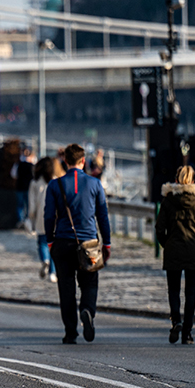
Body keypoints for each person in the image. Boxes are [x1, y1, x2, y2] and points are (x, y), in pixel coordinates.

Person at [44, 144, 111, 344]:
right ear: (83, 161)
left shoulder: (55, 186)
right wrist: (106, 243)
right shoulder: (94, 184)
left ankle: (70, 332)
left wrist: (50, 240)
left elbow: (49, 217)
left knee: (66, 288)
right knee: (90, 283)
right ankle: (87, 310)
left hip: (63, 242)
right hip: (88, 242)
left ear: (65, 161)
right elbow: (103, 216)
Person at [155, 166, 195, 345]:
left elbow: (159, 228)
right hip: (193, 250)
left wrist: (166, 244)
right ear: (192, 179)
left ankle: (176, 322)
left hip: (173, 250)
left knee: (173, 290)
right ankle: (187, 333)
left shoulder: (168, 200)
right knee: (191, 293)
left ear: (177, 179)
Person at [28, 156, 62, 282]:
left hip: (41, 217)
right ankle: (53, 273)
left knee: (42, 242)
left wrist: (31, 219)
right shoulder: (58, 181)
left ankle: (45, 260)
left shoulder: (35, 183)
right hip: (55, 216)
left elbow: (32, 205)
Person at [14, 148, 35, 229]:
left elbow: (14, 175)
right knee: (29, 204)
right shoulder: (32, 165)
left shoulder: (18, 165)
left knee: (20, 205)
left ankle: (21, 220)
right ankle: (27, 220)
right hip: (29, 187)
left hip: (20, 186)